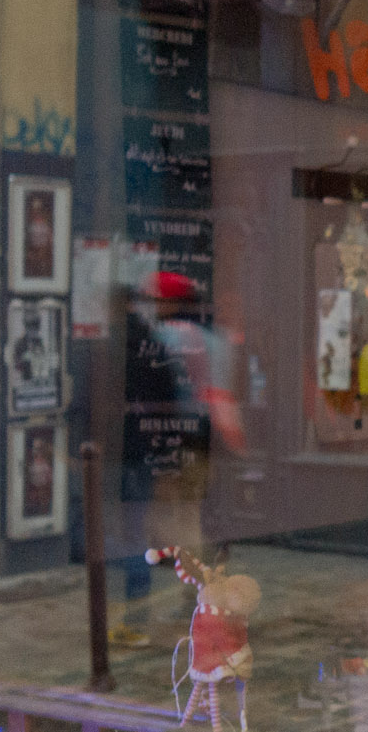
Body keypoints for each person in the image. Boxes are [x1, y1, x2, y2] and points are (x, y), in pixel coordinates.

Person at [112, 271, 245, 648]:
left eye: (155, 301)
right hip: (209, 436)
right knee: (188, 518)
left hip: (175, 438)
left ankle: (190, 600)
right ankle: (197, 599)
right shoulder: (218, 339)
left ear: (167, 303)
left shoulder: (166, 338)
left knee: (163, 521)